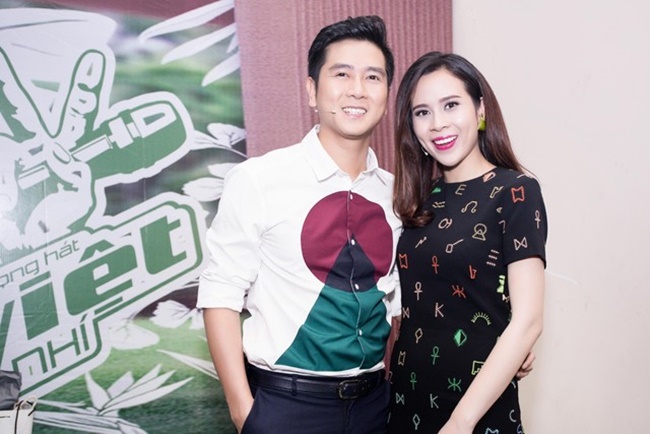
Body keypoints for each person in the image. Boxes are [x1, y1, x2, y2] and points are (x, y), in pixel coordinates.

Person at [197, 16, 402, 434]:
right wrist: (244, 413)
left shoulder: (396, 194)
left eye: (373, 77)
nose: (357, 89)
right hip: (286, 407)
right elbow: (220, 293)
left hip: (374, 407)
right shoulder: (259, 179)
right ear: (312, 90)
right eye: (341, 74)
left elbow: (402, 302)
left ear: (386, 93)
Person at [387, 51, 547, 433]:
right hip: (407, 398)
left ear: (480, 109)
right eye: (422, 112)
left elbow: (528, 320)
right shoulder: (415, 200)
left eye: (451, 105)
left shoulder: (516, 191)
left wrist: (460, 423)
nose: (437, 123)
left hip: (477, 412)